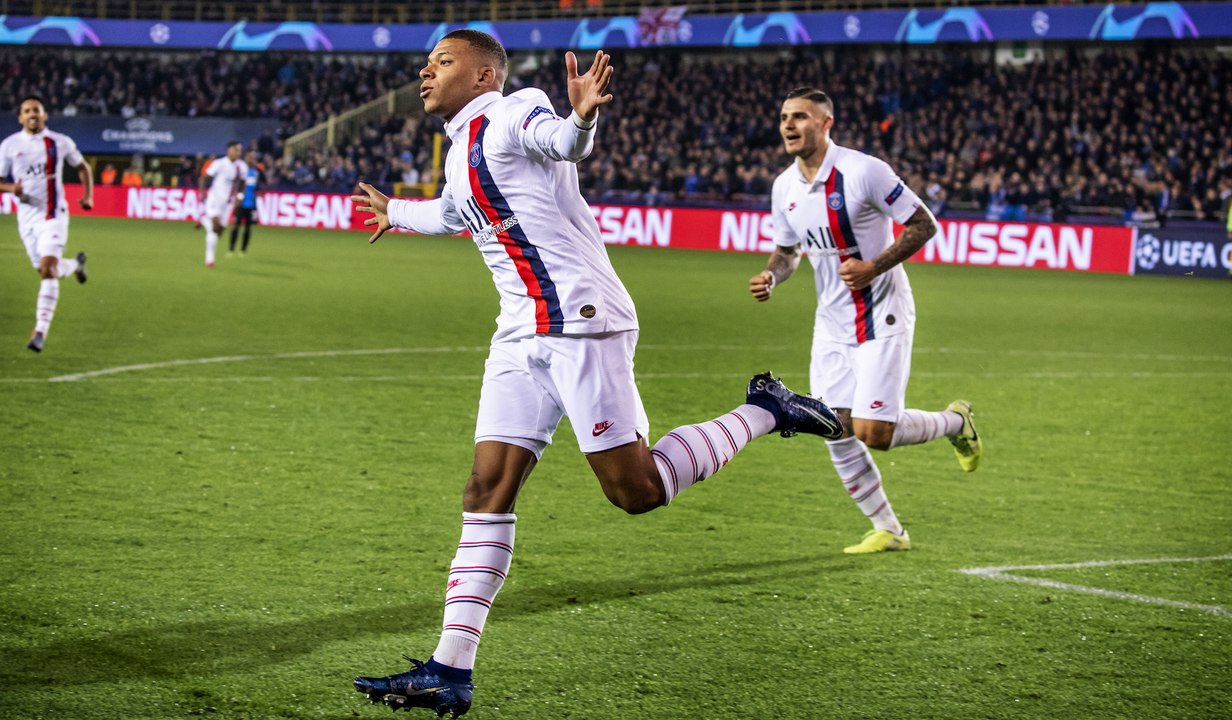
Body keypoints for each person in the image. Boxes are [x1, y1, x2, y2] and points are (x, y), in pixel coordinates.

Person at [348, 31, 842, 719]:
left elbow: (561, 142)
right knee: (486, 488)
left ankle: (766, 408)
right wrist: (394, 212)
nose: (426, 72)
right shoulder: (461, 149)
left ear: (484, 75)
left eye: (443, 62)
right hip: (520, 333)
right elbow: (452, 213)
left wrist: (580, 117)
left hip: (582, 323)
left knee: (635, 491)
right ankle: (449, 670)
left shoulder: (515, 110)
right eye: (428, 62)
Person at [748, 87, 982, 555]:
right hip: (831, 323)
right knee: (832, 426)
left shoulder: (864, 171)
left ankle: (956, 423)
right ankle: (889, 530)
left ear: (825, 123)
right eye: (784, 117)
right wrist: (773, 276)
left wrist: (874, 266)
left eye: (800, 117)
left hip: (882, 312)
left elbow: (923, 224)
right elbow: (788, 252)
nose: (789, 125)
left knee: (875, 433)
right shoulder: (784, 187)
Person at [0, 96, 93, 353]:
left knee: (47, 269)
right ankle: (75, 265)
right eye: (27, 111)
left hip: (53, 215)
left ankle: (40, 331)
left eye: (36, 110)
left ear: (45, 115)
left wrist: (88, 195)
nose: (32, 114)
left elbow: (83, 167)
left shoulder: (60, 142)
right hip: (27, 219)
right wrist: (11, 188)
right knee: (47, 270)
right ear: (20, 118)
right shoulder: (9, 145)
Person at [197, 141, 244, 267]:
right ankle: (209, 259)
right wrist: (202, 193)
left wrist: (239, 197)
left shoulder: (241, 166)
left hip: (227, 203)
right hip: (215, 199)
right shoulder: (219, 163)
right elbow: (204, 177)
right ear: (229, 150)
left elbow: (242, 182)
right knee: (215, 226)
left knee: (219, 231)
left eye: (239, 150)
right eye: (236, 150)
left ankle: (204, 221)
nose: (238, 153)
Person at [228, 149, 264, 257]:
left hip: (251, 204)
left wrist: (260, 192)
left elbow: (265, 183)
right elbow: (234, 183)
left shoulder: (257, 172)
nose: (251, 159)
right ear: (245, 158)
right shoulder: (240, 170)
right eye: (249, 157)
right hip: (240, 202)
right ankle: (231, 249)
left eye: (253, 157)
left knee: (248, 227)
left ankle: (243, 250)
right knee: (236, 225)